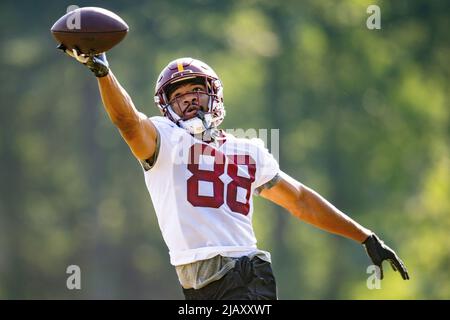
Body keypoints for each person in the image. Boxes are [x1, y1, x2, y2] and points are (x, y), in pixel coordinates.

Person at [57, 47, 410, 300]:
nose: (190, 99)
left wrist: (364, 236)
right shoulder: (163, 137)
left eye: (197, 89)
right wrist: (103, 71)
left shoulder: (249, 150)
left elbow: (300, 201)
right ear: (167, 106)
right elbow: (126, 120)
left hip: (243, 271)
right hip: (197, 281)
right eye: (179, 95)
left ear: (214, 96)